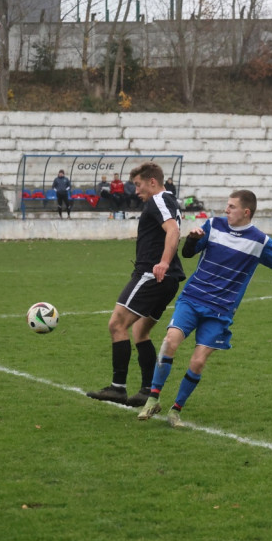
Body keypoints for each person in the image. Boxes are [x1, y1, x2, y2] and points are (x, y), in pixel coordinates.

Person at [138, 189, 272, 428]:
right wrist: (192, 239)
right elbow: (187, 253)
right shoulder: (214, 225)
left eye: (232, 206)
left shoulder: (260, 241)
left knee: (198, 362)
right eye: (227, 205)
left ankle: (176, 410)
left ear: (246, 212)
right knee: (169, 342)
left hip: (220, 311)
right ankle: (153, 398)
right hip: (193, 298)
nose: (226, 210)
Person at [87, 162, 185, 407]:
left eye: (139, 185)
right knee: (140, 332)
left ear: (152, 181)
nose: (136, 190)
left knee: (117, 324)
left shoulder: (159, 199)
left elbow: (173, 230)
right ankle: (146, 391)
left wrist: (163, 262)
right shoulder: (169, 201)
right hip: (169, 279)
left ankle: (118, 388)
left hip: (152, 274)